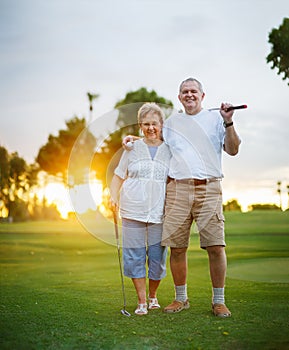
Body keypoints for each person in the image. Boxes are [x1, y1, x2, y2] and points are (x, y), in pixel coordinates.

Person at [123, 77, 241, 317]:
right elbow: (152, 136)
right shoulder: (172, 123)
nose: (189, 95)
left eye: (193, 91)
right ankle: (181, 298)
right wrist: (132, 140)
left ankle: (218, 301)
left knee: (216, 246)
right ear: (179, 97)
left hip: (209, 187)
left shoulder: (216, 118)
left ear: (202, 96)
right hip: (177, 189)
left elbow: (233, 149)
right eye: (184, 92)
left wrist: (229, 122)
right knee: (177, 248)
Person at [110, 102, 171, 316]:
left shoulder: (169, 149)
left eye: (154, 123)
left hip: (159, 212)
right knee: (134, 256)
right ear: (140, 125)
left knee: (157, 257)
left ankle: (153, 296)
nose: (151, 128)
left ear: (161, 124)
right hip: (131, 210)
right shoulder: (131, 148)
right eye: (146, 124)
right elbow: (118, 176)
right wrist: (112, 195)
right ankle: (142, 301)